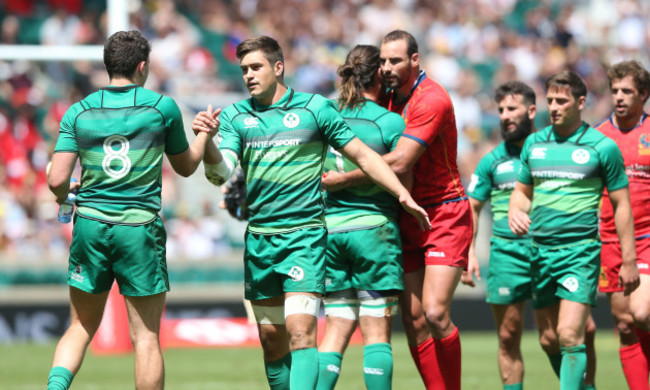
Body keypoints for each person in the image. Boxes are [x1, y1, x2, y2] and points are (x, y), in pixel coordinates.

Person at [191, 35, 430, 390]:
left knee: (302, 333)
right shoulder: (237, 116)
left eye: (256, 67)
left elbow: (364, 156)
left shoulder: (315, 108)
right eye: (244, 70)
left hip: (305, 236)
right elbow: (221, 172)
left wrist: (401, 194)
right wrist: (208, 141)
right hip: (260, 240)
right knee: (273, 339)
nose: (248, 76)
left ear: (278, 67)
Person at [46, 30, 216, 390]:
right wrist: (204, 135)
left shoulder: (79, 110)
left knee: (79, 327)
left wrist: (67, 190)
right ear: (142, 66)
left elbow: (57, 179)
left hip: (91, 225)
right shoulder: (161, 107)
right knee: (146, 338)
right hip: (139, 228)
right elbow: (186, 167)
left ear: (108, 66)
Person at [508, 70, 640, 389]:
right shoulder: (535, 144)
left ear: (580, 103)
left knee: (569, 334)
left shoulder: (601, 147)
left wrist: (629, 259)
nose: (553, 107)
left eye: (561, 101)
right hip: (539, 253)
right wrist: (515, 210)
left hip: (579, 253)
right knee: (549, 339)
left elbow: (622, 205)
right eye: (550, 100)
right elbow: (522, 192)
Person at [463, 81, 597, 389]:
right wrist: (468, 252)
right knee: (508, 336)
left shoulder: (553, 152)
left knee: (553, 337)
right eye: (500, 110)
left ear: (532, 111)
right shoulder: (491, 160)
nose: (505, 116)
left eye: (512, 108)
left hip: (548, 252)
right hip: (507, 256)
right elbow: (472, 207)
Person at [317, 44, 405, 390]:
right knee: (376, 332)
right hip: (373, 232)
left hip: (330, 233)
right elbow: (401, 182)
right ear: (380, 77)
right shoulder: (389, 121)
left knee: (336, 330)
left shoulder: (323, 112)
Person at [595, 60, 650, 389]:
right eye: (615, 90)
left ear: (643, 95)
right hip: (610, 240)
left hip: (646, 236)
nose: (619, 96)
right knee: (626, 323)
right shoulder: (597, 137)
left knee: (642, 313)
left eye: (627, 91)